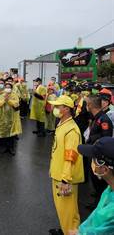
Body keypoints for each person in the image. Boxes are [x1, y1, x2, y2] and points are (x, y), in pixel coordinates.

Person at [48, 95, 84, 235]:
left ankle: (70, 232)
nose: (55, 108)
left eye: (58, 106)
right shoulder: (63, 123)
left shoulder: (72, 130)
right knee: (62, 209)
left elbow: (70, 157)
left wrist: (65, 179)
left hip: (65, 177)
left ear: (67, 109)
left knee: (69, 212)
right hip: (58, 173)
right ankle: (65, 230)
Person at [68, 137, 114, 235]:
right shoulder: (110, 189)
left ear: (105, 169)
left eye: (93, 159)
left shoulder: (111, 211)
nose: (91, 162)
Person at [85, 94, 113, 207]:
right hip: (94, 152)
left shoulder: (103, 119)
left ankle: (99, 204)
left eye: (86, 103)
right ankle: (97, 199)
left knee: (99, 182)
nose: (85, 106)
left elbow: (106, 139)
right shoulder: (97, 117)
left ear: (91, 105)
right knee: (95, 180)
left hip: (99, 156)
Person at [0, 81, 21, 156]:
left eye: (9, 87)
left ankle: (11, 148)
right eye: (6, 87)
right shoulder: (1, 95)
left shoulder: (14, 95)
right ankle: (5, 147)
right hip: (3, 117)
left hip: (11, 117)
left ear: (11, 88)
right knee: (4, 132)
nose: (7, 88)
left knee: (11, 133)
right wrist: (4, 100)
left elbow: (16, 104)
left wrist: (8, 100)